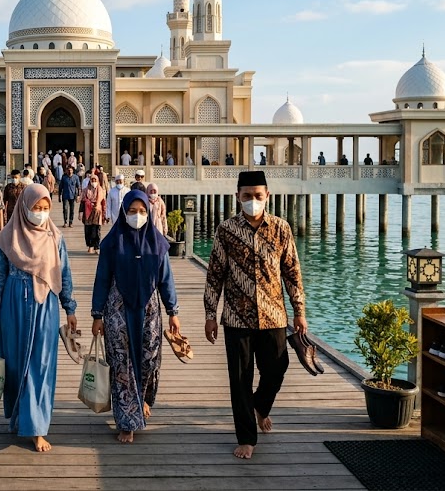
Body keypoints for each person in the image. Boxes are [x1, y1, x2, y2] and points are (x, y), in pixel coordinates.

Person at [202, 170, 307, 460]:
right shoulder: (226, 230)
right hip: (236, 317)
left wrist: (299, 310)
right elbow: (214, 275)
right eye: (247, 196)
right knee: (240, 379)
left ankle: (260, 405)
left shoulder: (281, 229)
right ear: (237, 197)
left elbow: (292, 272)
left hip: (274, 315)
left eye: (258, 196)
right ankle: (247, 437)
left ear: (267, 196)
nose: (253, 201)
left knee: (277, 368)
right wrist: (211, 313)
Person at [0, 184, 76, 453]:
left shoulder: (55, 238)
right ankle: (20, 417)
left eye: (46, 209)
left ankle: (36, 427)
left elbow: (65, 275)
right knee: (14, 362)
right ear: (24, 207)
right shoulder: (7, 238)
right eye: (36, 208)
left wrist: (70, 308)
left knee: (40, 364)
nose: (41, 213)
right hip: (13, 305)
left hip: (45, 306)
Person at [91, 189, 180, 443]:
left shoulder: (158, 243)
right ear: (123, 212)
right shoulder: (112, 243)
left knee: (149, 360)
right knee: (122, 363)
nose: (137, 216)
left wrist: (173, 311)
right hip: (118, 310)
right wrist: (97, 314)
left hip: (149, 310)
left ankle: (142, 400)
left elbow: (166, 280)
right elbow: (102, 279)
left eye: (142, 212)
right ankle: (127, 420)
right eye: (132, 211)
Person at [80, 171, 106, 254]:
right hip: (88, 212)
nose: (93, 182)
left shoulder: (101, 190)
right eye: (92, 180)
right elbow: (82, 202)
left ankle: (96, 246)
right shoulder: (85, 190)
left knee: (96, 230)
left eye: (95, 180)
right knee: (88, 230)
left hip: (97, 212)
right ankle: (90, 245)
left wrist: (105, 215)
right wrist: (80, 213)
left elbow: (103, 203)